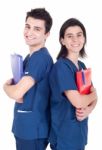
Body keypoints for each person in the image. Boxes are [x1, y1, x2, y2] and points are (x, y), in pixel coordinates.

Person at [3, 8, 53, 150]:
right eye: (27, 26)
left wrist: (5, 86)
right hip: (25, 128)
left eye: (37, 29)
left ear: (46, 34)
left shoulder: (40, 58)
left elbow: (17, 92)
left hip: (32, 131)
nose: (29, 32)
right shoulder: (30, 57)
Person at [49, 18, 97, 150]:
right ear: (62, 40)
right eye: (70, 36)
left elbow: (93, 98)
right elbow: (79, 101)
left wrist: (90, 109)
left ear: (84, 38)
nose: (75, 40)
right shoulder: (61, 67)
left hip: (79, 133)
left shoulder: (81, 66)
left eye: (79, 35)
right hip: (64, 135)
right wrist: (94, 95)